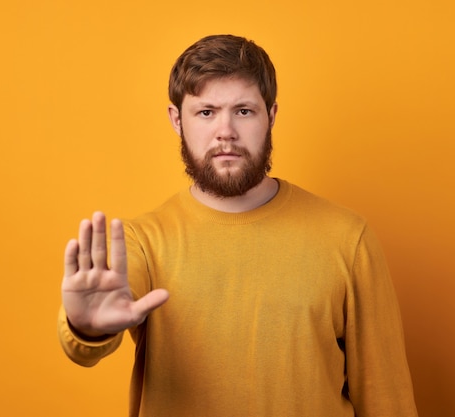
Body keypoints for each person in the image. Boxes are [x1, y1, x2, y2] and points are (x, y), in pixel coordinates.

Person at [58, 34, 418, 417]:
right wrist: (87, 328)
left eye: (243, 111)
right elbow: (92, 335)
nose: (225, 131)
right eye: (206, 112)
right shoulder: (141, 242)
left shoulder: (348, 238)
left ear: (272, 116)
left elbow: (386, 398)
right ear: (177, 120)